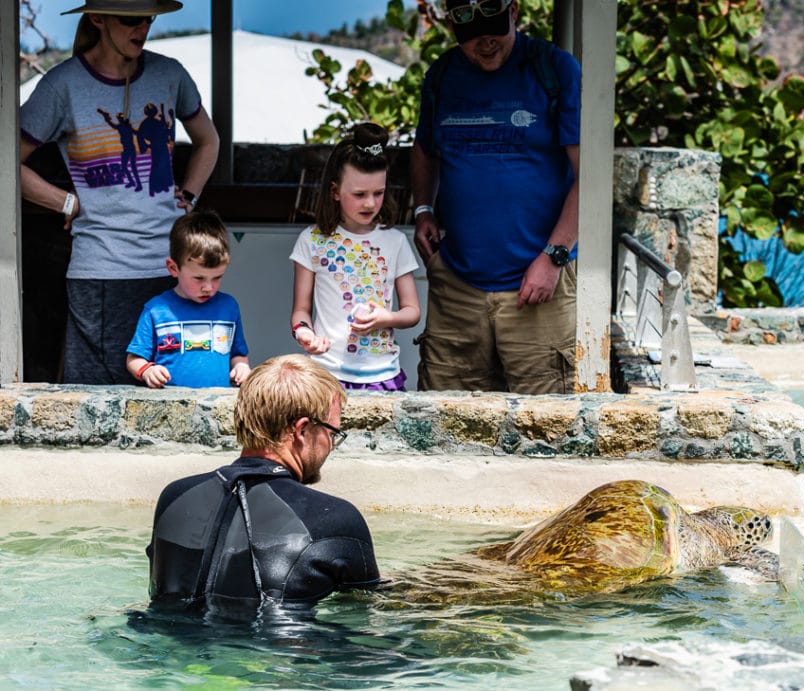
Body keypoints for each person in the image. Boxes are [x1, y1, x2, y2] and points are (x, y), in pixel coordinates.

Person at [19, 0, 219, 385]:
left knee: (173, 392)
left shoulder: (170, 74)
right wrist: (66, 203)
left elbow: (209, 141)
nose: (142, 28)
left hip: (173, 268)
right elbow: (8, 159)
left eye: (148, 18)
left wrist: (189, 196)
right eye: (131, 19)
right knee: (98, 398)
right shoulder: (62, 85)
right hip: (101, 273)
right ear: (97, 18)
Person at [411, 0, 581, 395]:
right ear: (453, 26)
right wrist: (422, 209)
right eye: (472, 39)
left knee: (547, 422)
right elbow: (423, 147)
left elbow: (588, 176)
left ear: (515, 12)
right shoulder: (442, 75)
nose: (485, 46)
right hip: (457, 284)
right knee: (444, 418)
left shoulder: (553, 69)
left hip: (539, 286)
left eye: (495, 34)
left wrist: (553, 257)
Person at [147, 354, 381, 613]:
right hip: (279, 651)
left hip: (165, 645)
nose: (332, 446)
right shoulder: (337, 519)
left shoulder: (175, 498)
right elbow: (365, 612)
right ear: (302, 430)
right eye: (332, 433)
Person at [290, 123, 421, 391]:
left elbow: (412, 312)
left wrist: (387, 318)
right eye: (359, 194)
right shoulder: (311, 240)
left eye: (379, 193)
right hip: (325, 374)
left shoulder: (395, 241)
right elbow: (301, 310)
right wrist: (304, 332)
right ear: (335, 191)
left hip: (382, 375)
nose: (370, 203)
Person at [126, 210, 251, 388]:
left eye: (217, 277)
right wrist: (146, 370)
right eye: (199, 278)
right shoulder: (157, 310)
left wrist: (241, 367)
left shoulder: (228, 307)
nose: (208, 287)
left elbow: (239, 353)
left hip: (216, 407)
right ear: (173, 268)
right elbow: (134, 358)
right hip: (169, 408)